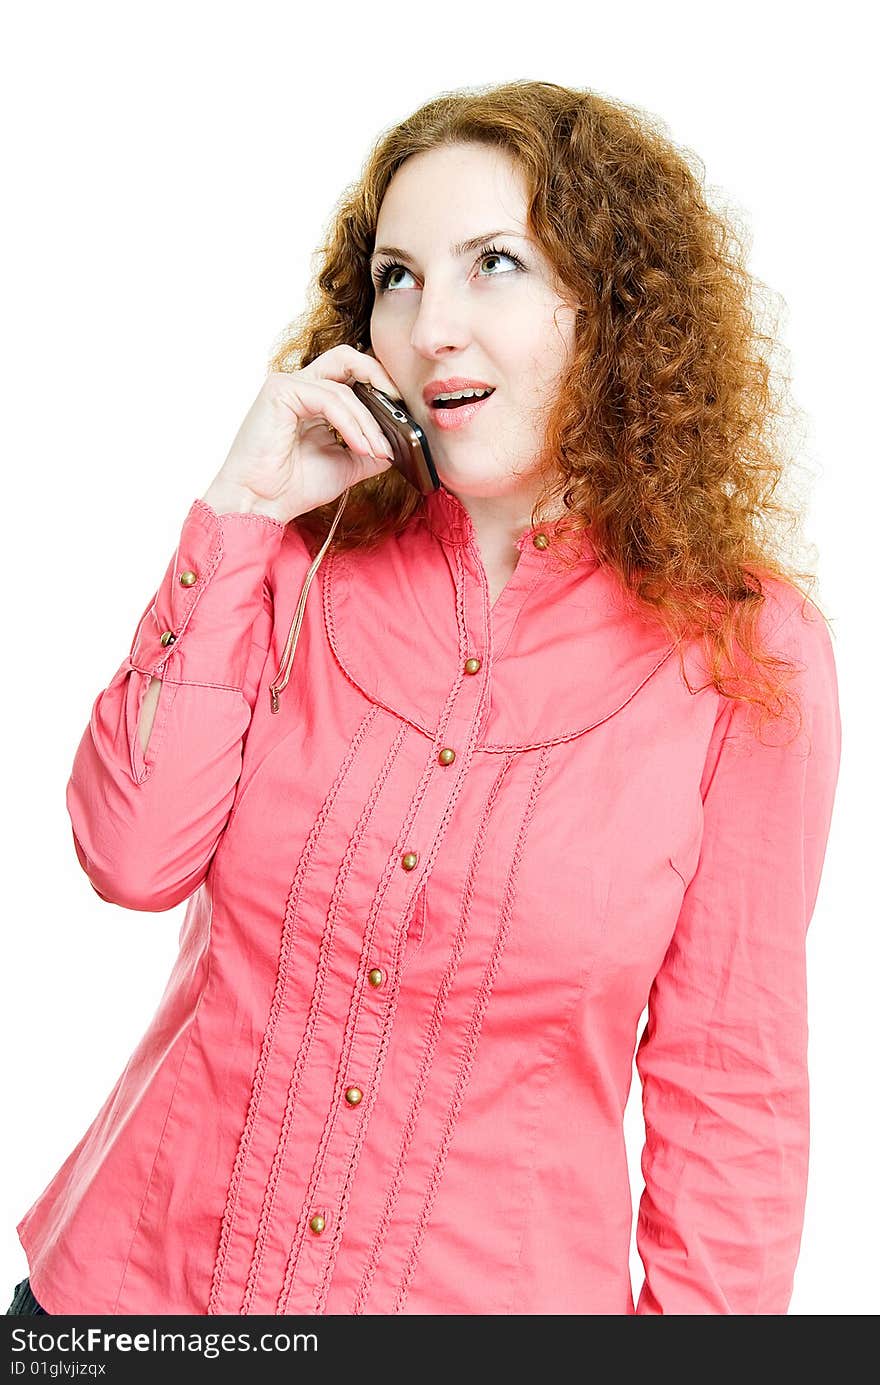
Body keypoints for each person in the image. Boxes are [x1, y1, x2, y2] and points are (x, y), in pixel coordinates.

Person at [8, 78, 841, 1318]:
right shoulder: (295, 549)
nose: (432, 325)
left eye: (492, 264)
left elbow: (731, 1088)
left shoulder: (742, 649)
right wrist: (236, 514)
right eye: (397, 277)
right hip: (132, 1303)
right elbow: (130, 855)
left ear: (612, 307)